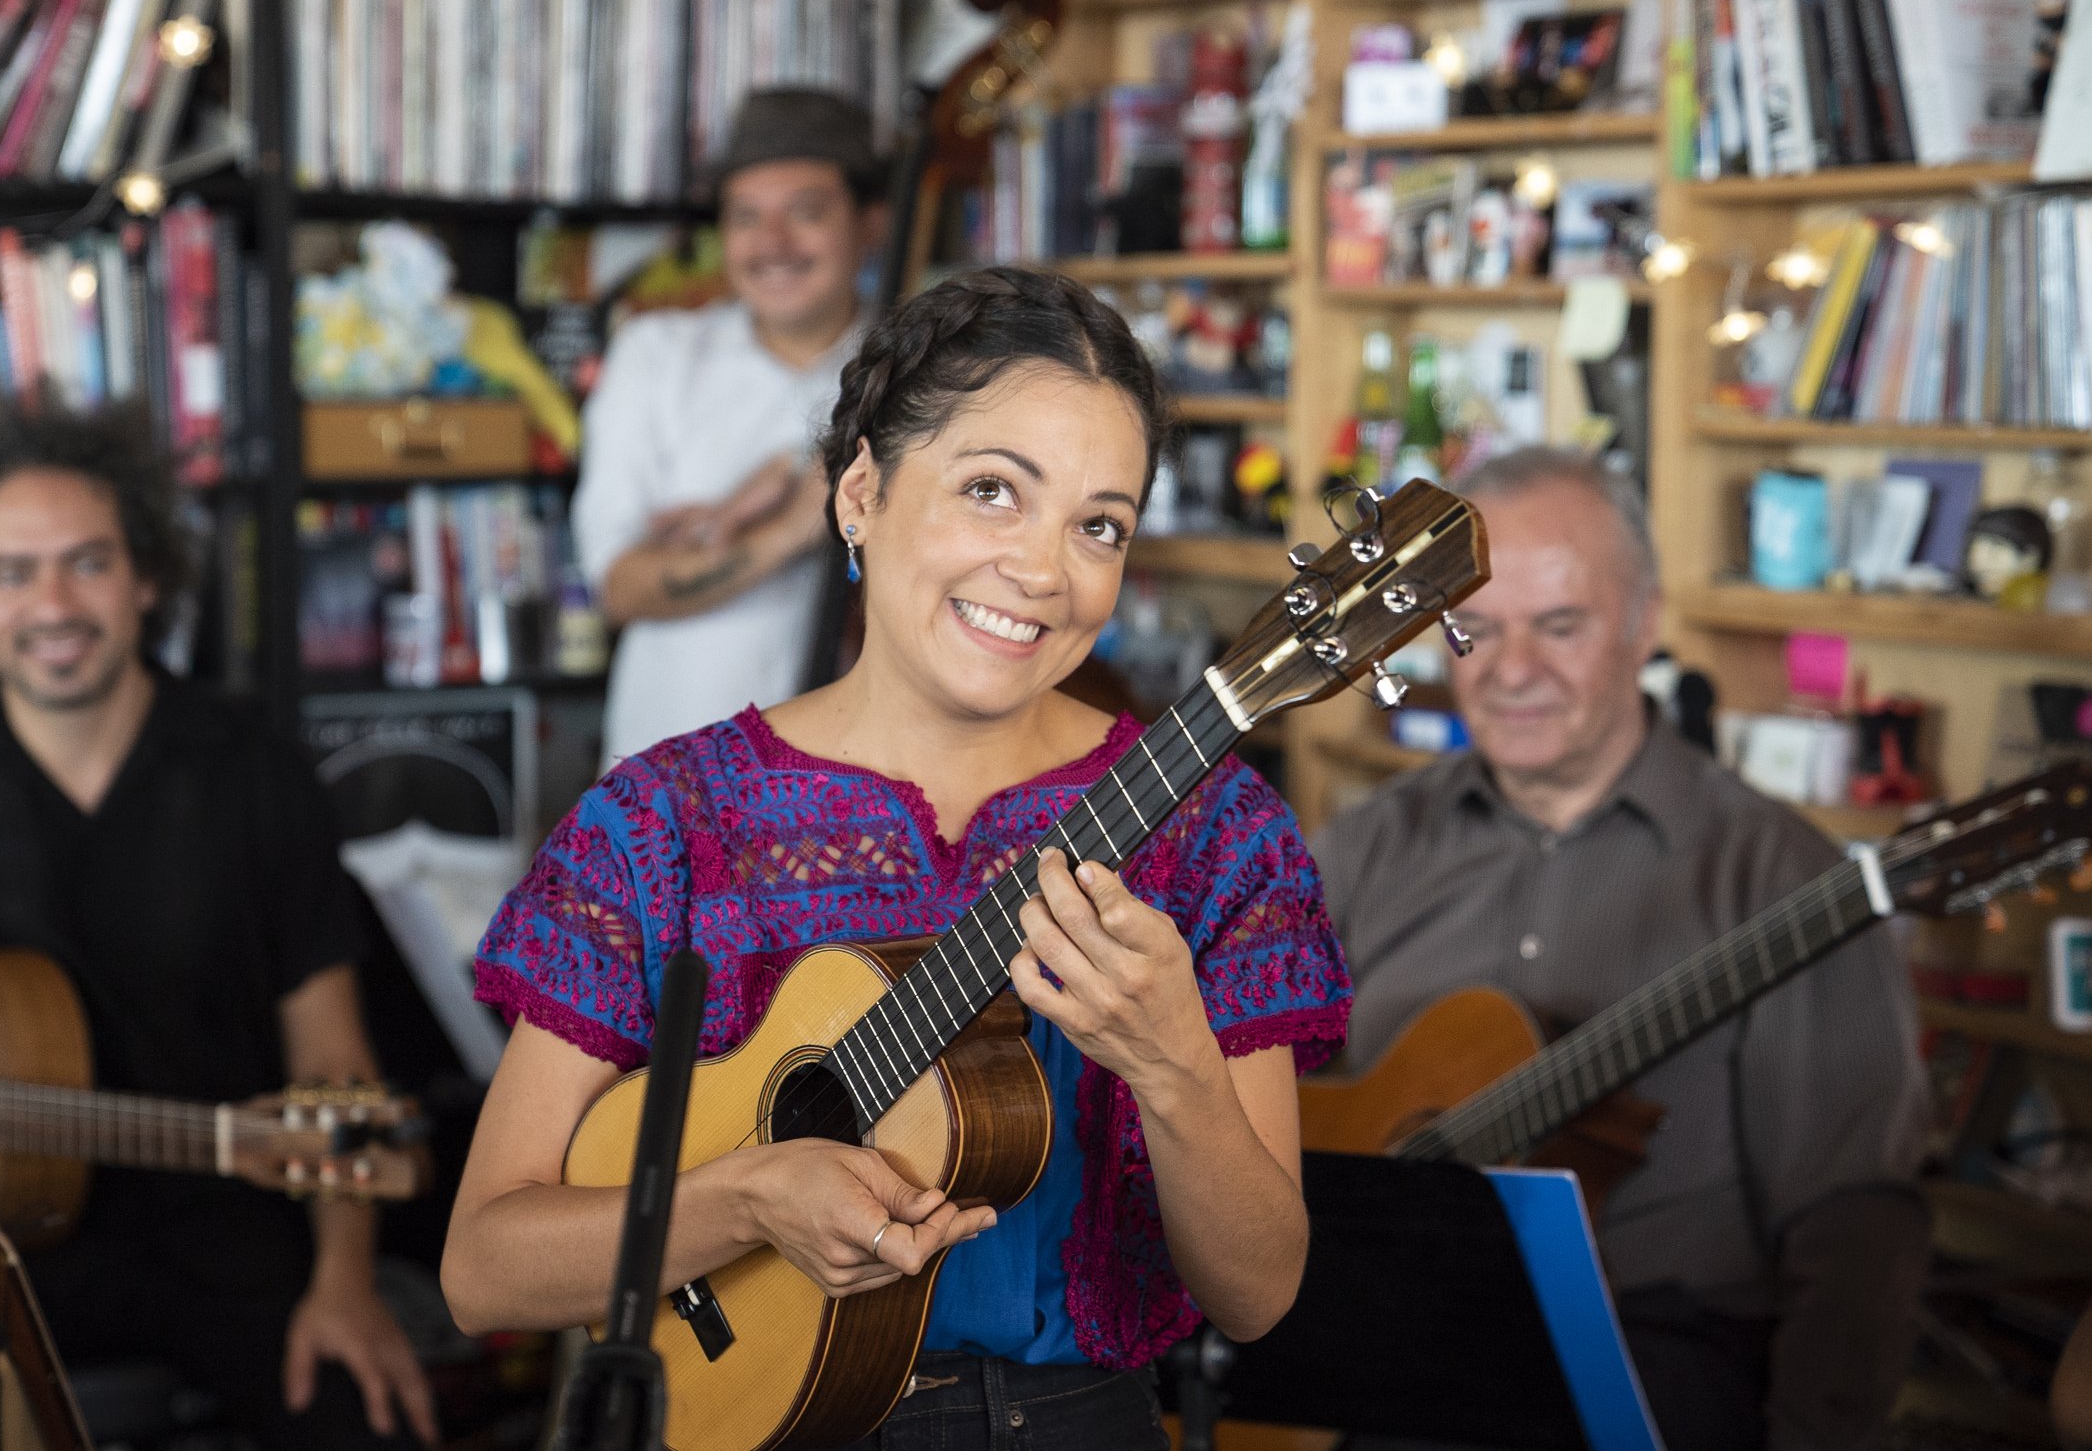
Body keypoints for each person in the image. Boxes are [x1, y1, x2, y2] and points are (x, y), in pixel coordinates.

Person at [445, 266, 1351, 1447]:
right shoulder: (665, 823)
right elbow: (484, 1266)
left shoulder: (1215, 834)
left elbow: (1258, 1292)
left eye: (1099, 525)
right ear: (861, 490)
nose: (1042, 570)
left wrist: (1174, 1064)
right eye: (992, 491)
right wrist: (746, 1200)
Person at [0, 401, 436, 1450]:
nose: (52, 603)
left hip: (218, 1232)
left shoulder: (255, 774)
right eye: (11, 573)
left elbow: (335, 1058)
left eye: (87, 563)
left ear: (147, 578)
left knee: (365, 1418)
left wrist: (345, 1279)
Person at [1313, 447, 1929, 1451]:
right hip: (1377, 1345)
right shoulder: (1369, 844)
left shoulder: (1783, 877)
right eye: (1478, 629)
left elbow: (1856, 1228)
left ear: (1643, 623)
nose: (1512, 670)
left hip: (1647, 1361)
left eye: (1559, 625)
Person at [572, 86, 889, 768]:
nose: (772, 244)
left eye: (805, 213)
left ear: (871, 222)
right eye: (747, 217)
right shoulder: (655, 354)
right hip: (673, 785)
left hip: (866, 787)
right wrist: (791, 528)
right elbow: (622, 586)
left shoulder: (920, 372)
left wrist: (718, 537)